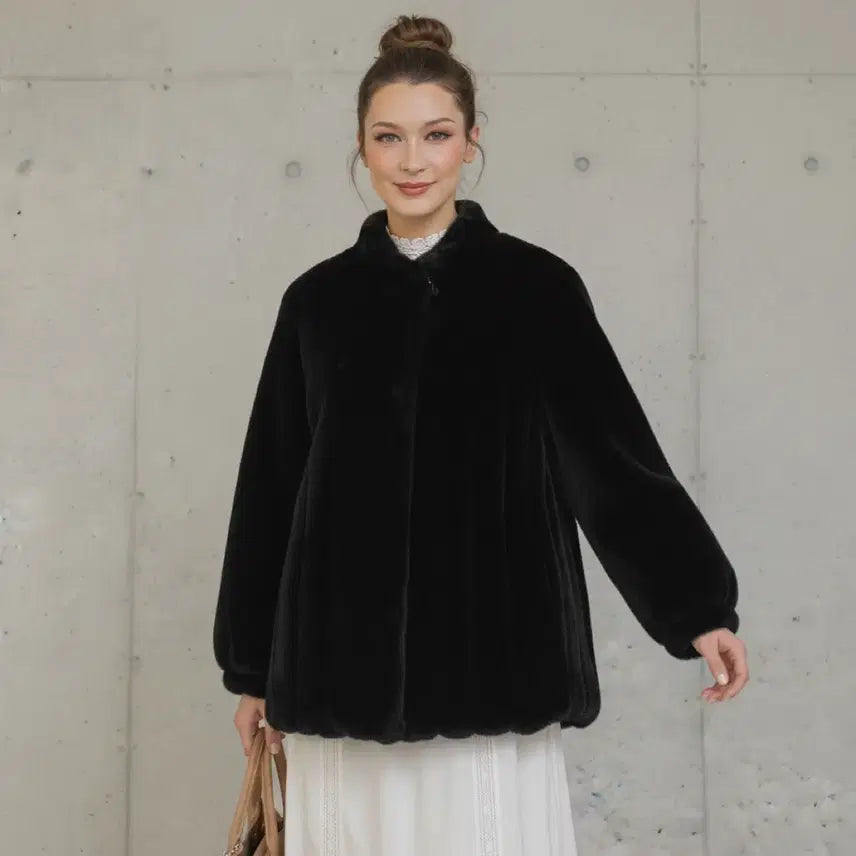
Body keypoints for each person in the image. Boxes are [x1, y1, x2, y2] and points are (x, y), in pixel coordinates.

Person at [212, 13, 749, 855]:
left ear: (471, 141)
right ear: (361, 147)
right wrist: (251, 672)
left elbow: (613, 463)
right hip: (340, 675)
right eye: (389, 137)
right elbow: (271, 492)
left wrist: (697, 609)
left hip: (492, 666)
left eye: (436, 134)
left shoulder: (536, 290)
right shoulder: (316, 304)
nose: (413, 160)